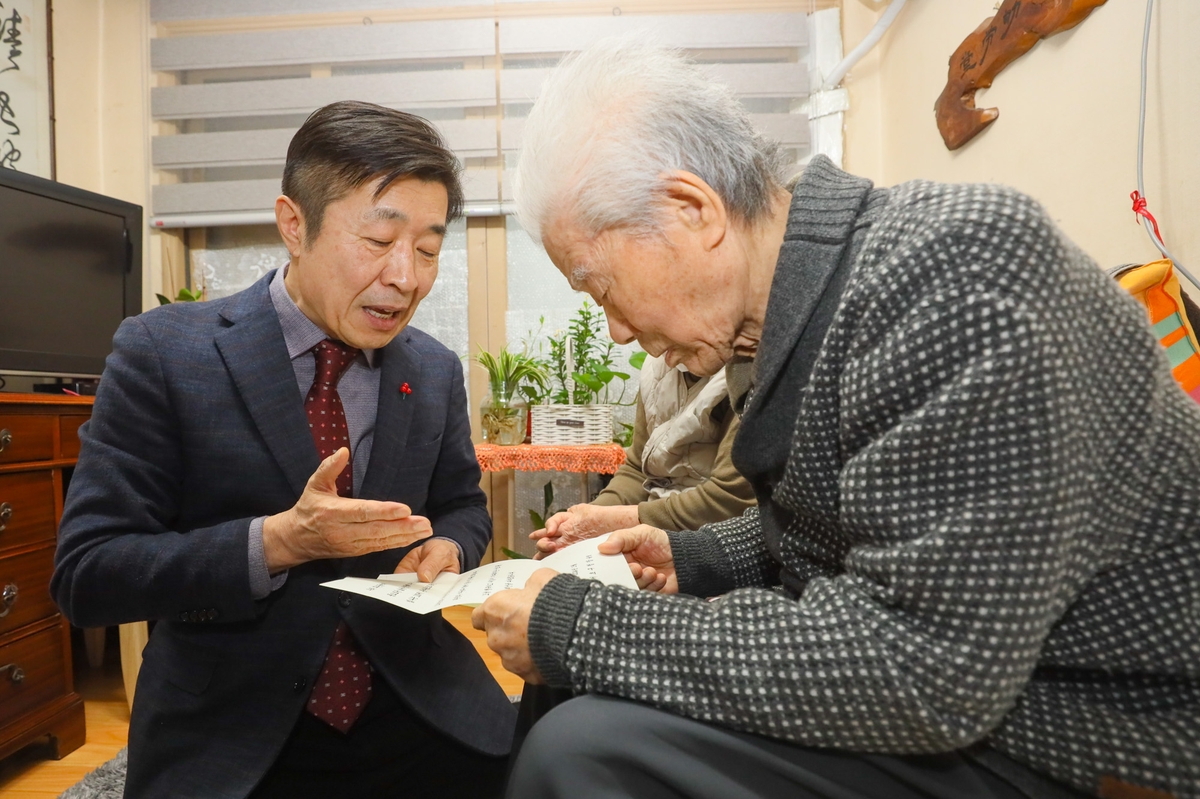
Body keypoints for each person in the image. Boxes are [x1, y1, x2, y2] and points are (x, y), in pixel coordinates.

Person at [471, 40, 1200, 799]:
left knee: (584, 749)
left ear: (692, 210)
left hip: (1090, 735)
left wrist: (587, 627)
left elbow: (926, 667)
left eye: (602, 288)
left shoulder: (959, 275)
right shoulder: (806, 307)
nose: (615, 329)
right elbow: (880, 516)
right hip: (987, 700)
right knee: (562, 687)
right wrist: (693, 556)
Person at [52, 102, 514, 798]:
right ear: (294, 225)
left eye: (426, 249)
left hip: (414, 697)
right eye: (379, 240)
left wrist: (448, 547)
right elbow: (89, 573)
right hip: (232, 725)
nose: (406, 277)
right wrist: (277, 542)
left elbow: (461, 506)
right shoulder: (163, 353)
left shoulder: (435, 368)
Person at [531, 352, 756, 556]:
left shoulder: (749, 369)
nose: (620, 334)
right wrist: (585, 519)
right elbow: (637, 469)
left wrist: (613, 521)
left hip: (715, 545)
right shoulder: (655, 368)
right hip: (649, 528)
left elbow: (731, 498)